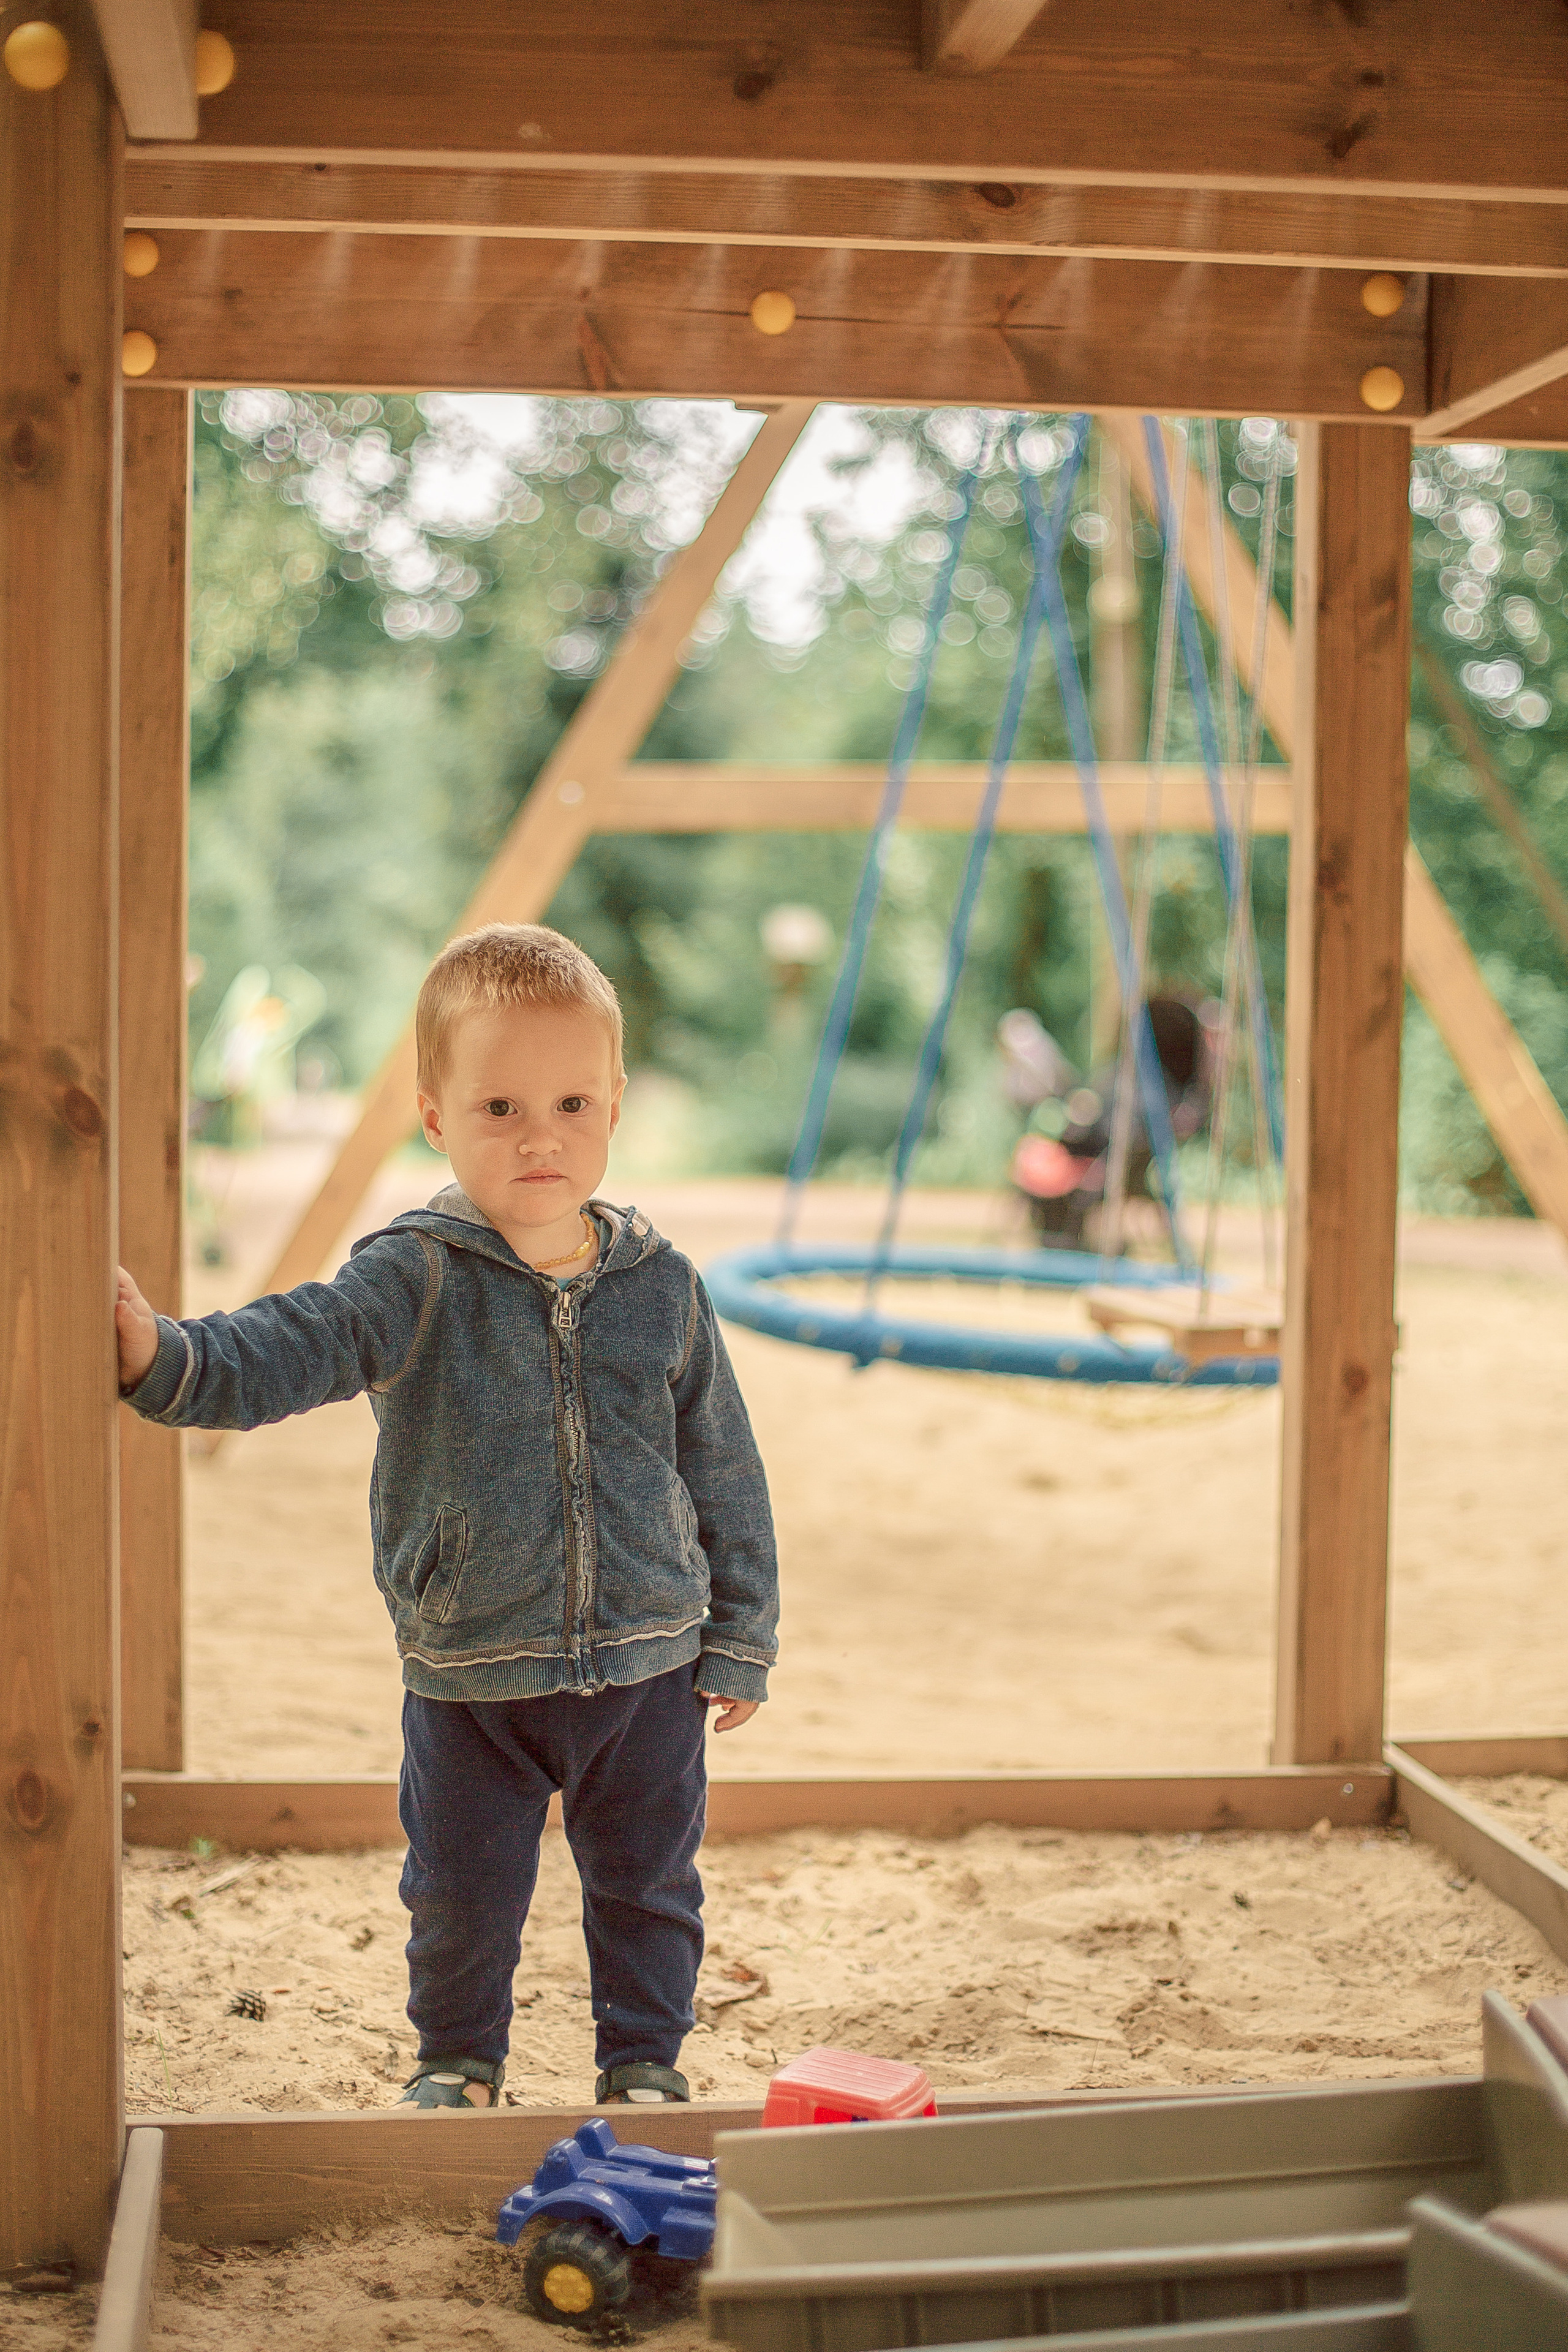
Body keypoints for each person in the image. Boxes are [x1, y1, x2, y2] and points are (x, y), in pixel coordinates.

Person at [116, 924, 780, 2113]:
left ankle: (643, 2066)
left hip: (649, 1665)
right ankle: (457, 2063)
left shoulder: (661, 1285)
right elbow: (289, 1346)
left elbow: (722, 1465)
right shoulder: (411, 1278)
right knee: (461, 1890)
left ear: (616, 1102)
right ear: (435, 1116)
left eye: (573, 1101)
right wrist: (161, 1359)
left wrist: (740, 1633)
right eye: (499, 1108)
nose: (540, 1135)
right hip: (471, 1671)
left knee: (647, 1883)